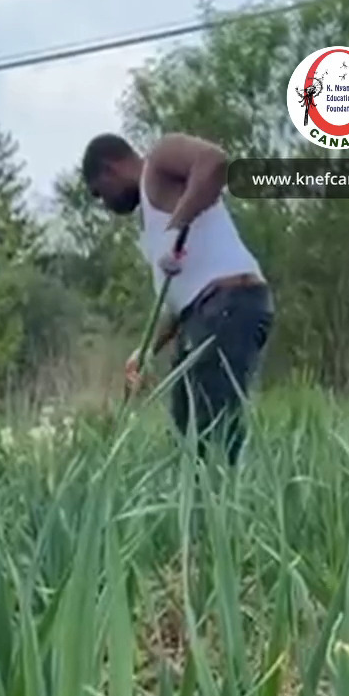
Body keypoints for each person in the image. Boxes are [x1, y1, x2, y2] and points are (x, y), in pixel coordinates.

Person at [81, 131, 273, 464]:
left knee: (213, 439)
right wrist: (145, 351)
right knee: (187, 442)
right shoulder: (152, 228)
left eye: (100, 194)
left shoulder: (159, 158)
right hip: (202, 315)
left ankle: (228, 509)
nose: (105, 205)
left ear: (111, 169)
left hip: (229, 304)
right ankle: (200, 513)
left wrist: (177, 226)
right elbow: (179, 300)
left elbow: (215, 161)